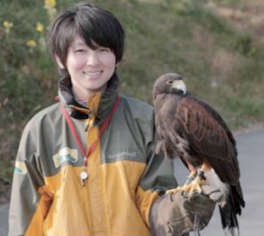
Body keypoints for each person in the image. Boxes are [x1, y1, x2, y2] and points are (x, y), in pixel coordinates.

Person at [8, 2, 220, 236]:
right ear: (60, 58)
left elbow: (153, 202)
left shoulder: (146, 121)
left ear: (116, 57)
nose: (93, 61)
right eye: (80, 51)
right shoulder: (39, 130)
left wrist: (181, 209)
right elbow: (27, 221)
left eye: (103, 50)